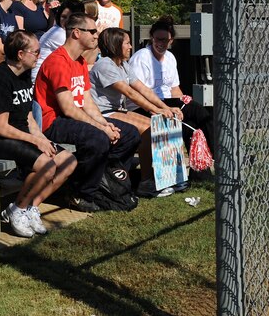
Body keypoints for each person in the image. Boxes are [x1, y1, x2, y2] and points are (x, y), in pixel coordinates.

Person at [34, 13, 141, 212]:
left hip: (71, 118)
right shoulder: (58, 61)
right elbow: (67, 107)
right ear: (76, 33)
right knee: (98, 138)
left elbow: (86, 100)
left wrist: (104, 122)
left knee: (130, 134)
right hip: (52, 122)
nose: (96, 35)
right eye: (92, 31)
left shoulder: (80, 61)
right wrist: (101, 128)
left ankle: (108, 184)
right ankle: (80, 193)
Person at [0, 30, 77, 237]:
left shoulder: (24, 75)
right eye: (36, 52)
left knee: (68, 161)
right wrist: (34, 141)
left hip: (19, 134)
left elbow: (28, 116)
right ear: (21, 54)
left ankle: (30, 207)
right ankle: (18, 209)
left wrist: (41, 138)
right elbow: (1, 128)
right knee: (47, 166)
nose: (39, 56)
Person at [89, 27, 185, 198]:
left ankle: (168, 176)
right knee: (148, 128)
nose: (130, 47)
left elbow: (143, 89)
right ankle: (146, 181)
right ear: (115, 45)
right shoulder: (104, 65)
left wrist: (164, 108)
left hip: (115, 110)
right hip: (102, 113)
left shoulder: (123, 65)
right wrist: (156, 110)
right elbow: (130, 93)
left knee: (155, 124)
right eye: (126, 43)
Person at [128, 16, 214, 158]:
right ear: (151, 38)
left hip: (167, 101)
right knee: (198, 110)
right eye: (157, 39)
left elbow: (175, 90)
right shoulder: (141, 57)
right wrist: (163, 108)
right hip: (146, 105)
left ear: (171, 40)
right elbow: (140, 93)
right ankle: (218, 153)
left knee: (191, 124)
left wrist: (184, 101)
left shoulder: (170, 57)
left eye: (165, 40)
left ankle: (199, 171)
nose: (160, 43)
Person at [31, 0, 85, 128]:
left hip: (54, 78)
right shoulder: (59, 34)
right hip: (42, 87)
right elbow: (81, 58)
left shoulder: (58, 31)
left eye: (70, 18)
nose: (65, 21)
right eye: (63, 17)